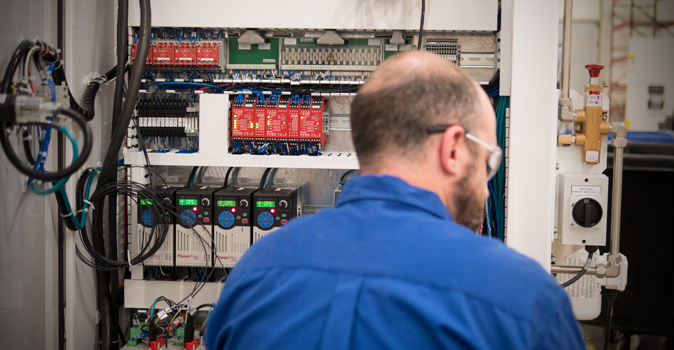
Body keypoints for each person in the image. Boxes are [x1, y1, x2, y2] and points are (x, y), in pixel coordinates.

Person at [206, 51, 585, 350]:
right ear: (453, 148)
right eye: (487, 162)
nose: (487, 188)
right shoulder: (524, 300)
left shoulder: (254, 273)